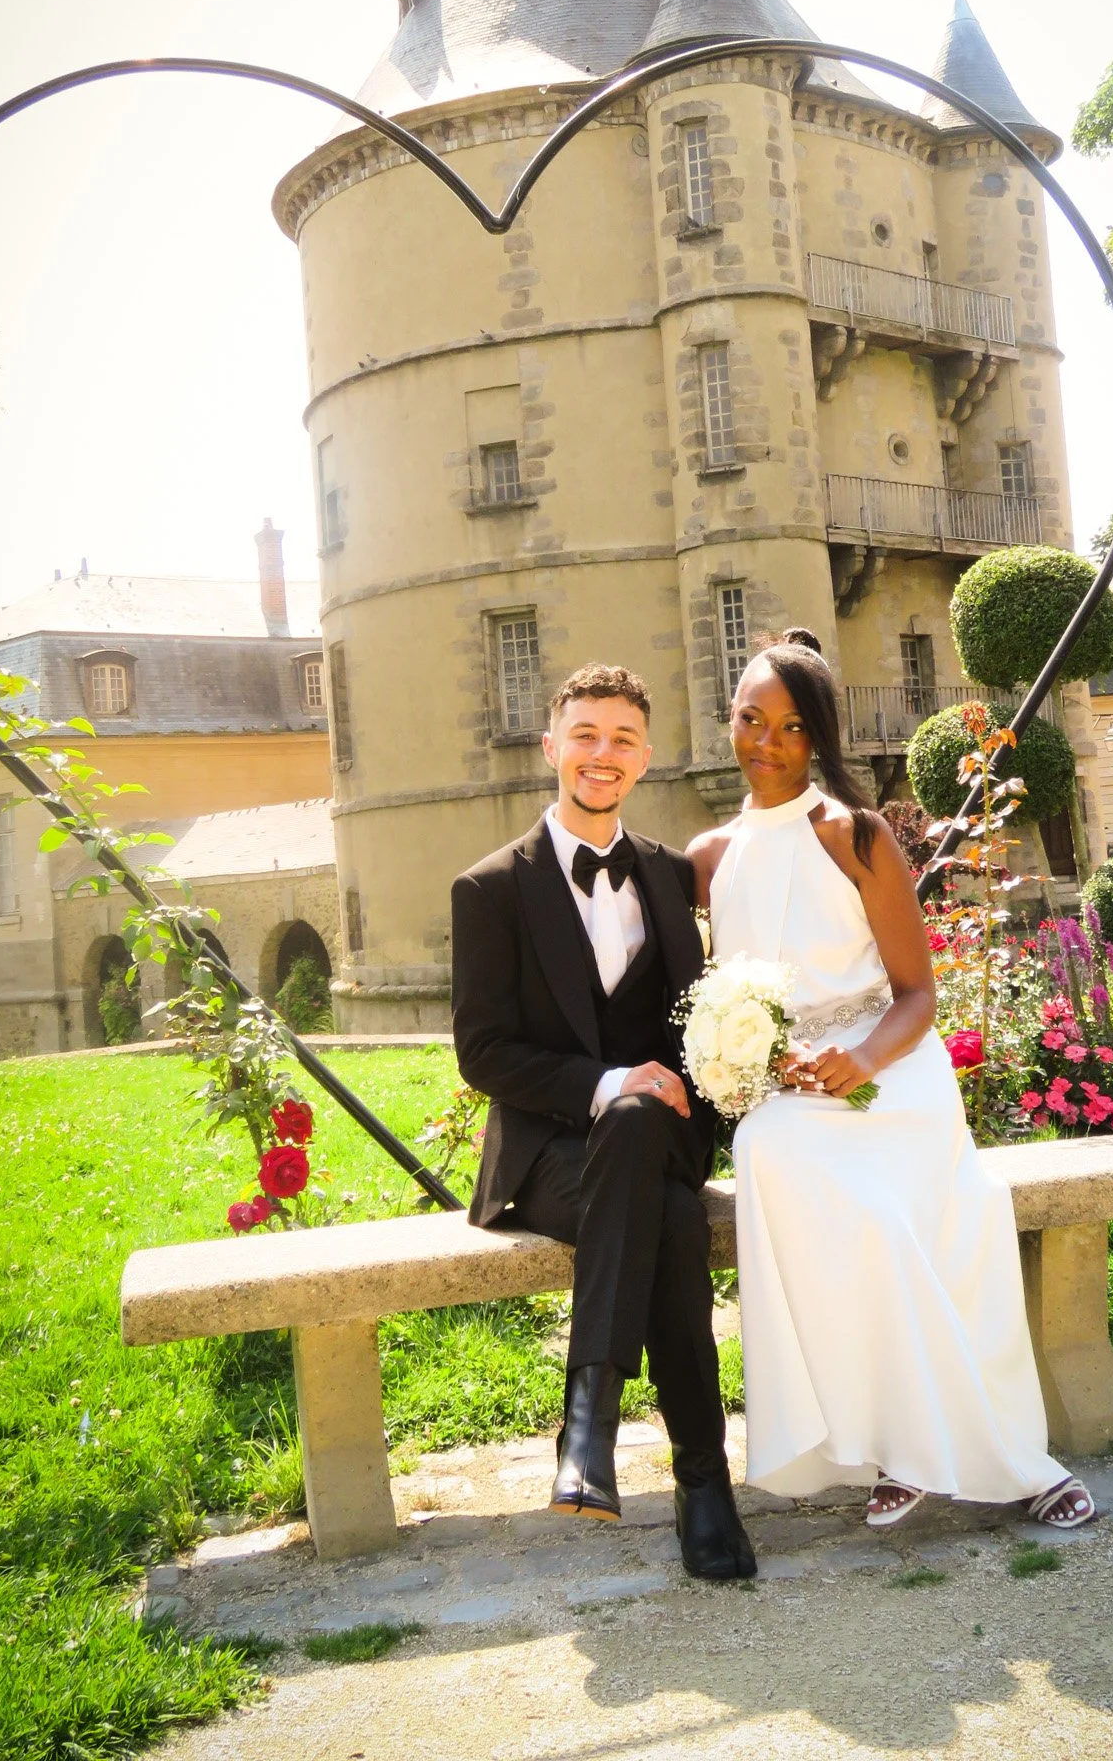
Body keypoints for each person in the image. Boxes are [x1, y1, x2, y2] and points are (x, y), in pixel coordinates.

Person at [687, 629, 1096, 1532]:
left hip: (894, 1075)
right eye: (752, 719)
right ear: (730, 721)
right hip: (791, 1096)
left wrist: (863, 1060)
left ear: (818, 738)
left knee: (894, 1215)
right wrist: (739, 1060)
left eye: (791, 728)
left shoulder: (856, 836)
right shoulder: (709, 857)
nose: (767, 742)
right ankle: (888, 1442)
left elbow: (919, 995)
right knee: (766, 1149)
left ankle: (1011, 1462)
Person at [451, 663, 757, 1580]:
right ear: (552, 748)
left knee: (637, 1129)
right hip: (550, 1155)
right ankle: (704, 1487)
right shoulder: (490, 888)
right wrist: (608, 1080)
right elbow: (485, 1055)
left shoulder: (670, 876)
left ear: (647, 757)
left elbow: (699, 1018)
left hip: (664, 1129)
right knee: (663, 1215)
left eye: (622, 738)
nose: (602, 754)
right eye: (585, 734)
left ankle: (589, 1421)